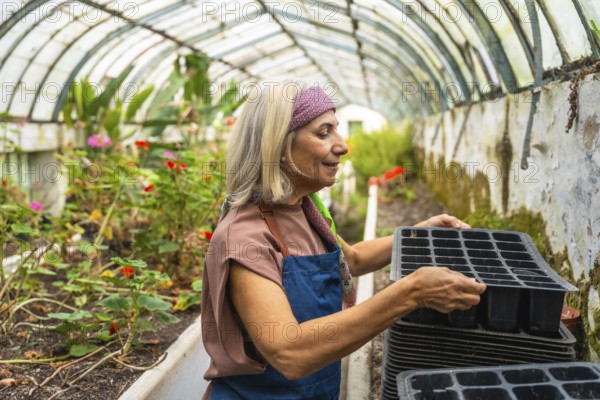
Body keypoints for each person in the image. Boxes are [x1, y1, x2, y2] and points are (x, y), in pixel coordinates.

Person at [201, 79, 486, 399]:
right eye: (324, 133)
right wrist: (411, 292)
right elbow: (289, 353)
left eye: (336, 129)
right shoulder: (246, 237)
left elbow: (351, 260)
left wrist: (419, 234)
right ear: (277, 147)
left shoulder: (302, 208)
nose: (343, 145)